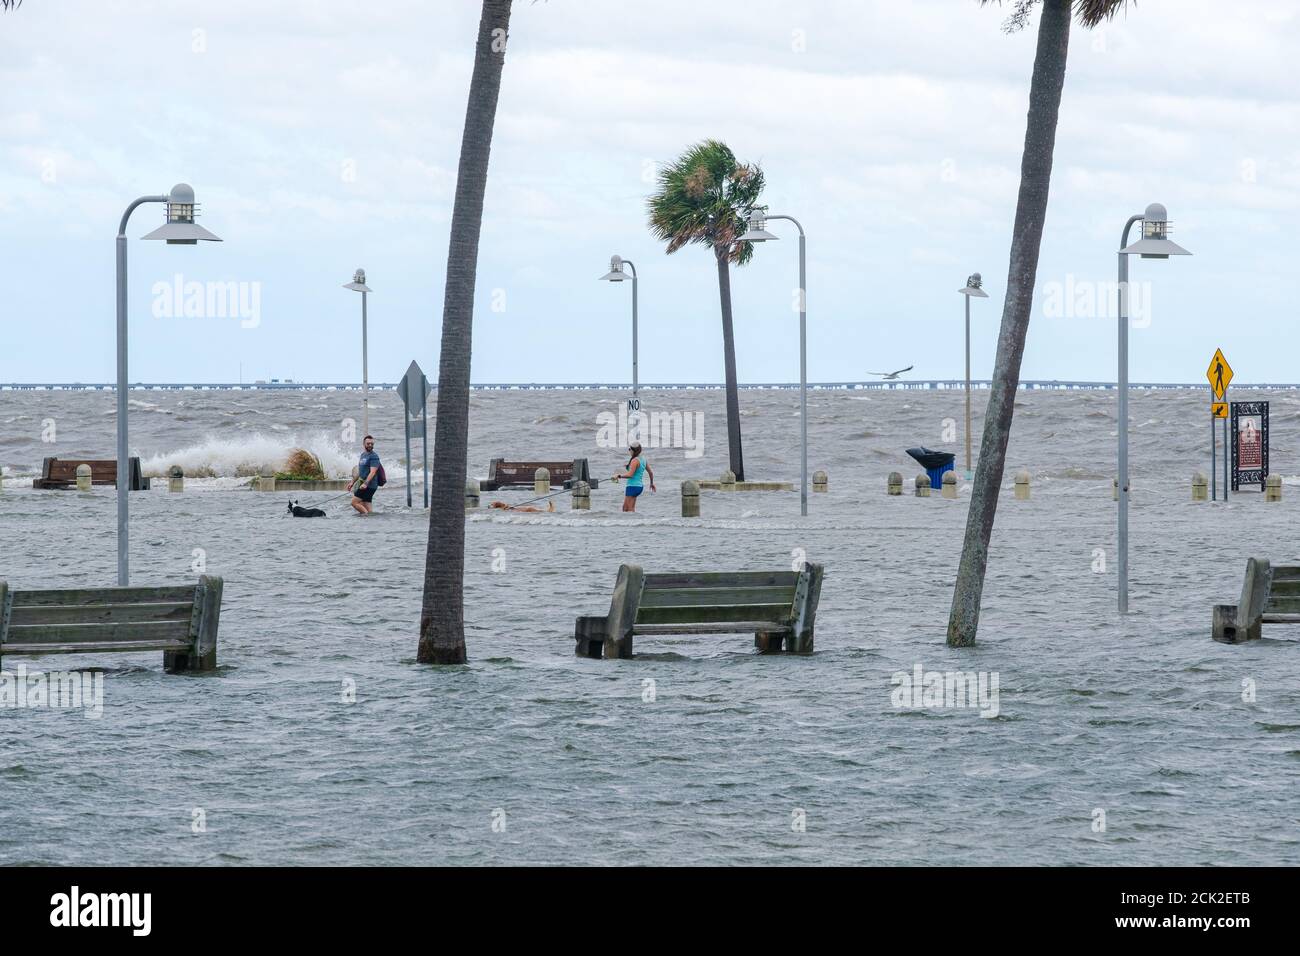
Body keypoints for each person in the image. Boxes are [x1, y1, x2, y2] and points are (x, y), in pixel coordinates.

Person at [614, 441, 655, 512]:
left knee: (628, 509)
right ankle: (635, 522)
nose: (629, 451)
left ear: (633, 450)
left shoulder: (634, 460)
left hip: (632, 486)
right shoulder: (643, 459)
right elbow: (650, 473)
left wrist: (619, 476)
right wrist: (651, 483)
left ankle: (633, 522)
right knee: (627, 508)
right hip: (639, 487)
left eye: (630, 449)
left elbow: (630, 475)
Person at [351, 435, 381, 515]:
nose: (370, 445)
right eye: (368, 444)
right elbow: (360, 472)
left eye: (372, 444)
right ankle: (370, 522)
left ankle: (365, 516)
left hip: (369, 485)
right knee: (366, 505)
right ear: (364, 444)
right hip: (364, 484)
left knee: (354, 502)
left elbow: (373, 472)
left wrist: (365, 483)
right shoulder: (363, 455)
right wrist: (352, 482)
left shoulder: (374, 456)